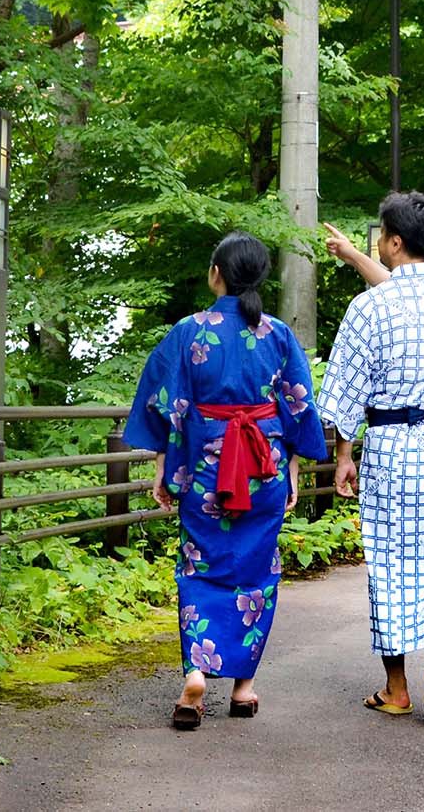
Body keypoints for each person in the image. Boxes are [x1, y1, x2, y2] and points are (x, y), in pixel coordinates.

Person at [124, 231, 328, 730]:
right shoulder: (278, 334)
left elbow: (166, 404)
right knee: (256, 573)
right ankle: (243, 687)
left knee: (198, 567)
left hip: (206, 470)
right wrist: (293, 469)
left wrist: (163, 471)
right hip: (264, 467)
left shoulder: (188, 332)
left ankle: (196, 673)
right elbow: (298, 404)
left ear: (217, 273)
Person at [318, 191, 424, 724]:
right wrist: (353, 258)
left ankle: (396, 689)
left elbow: (343, 395)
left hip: (392, 449)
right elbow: (409, 296)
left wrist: (344, 454)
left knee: (391, 563)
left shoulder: (367, 308)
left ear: (393, 241)